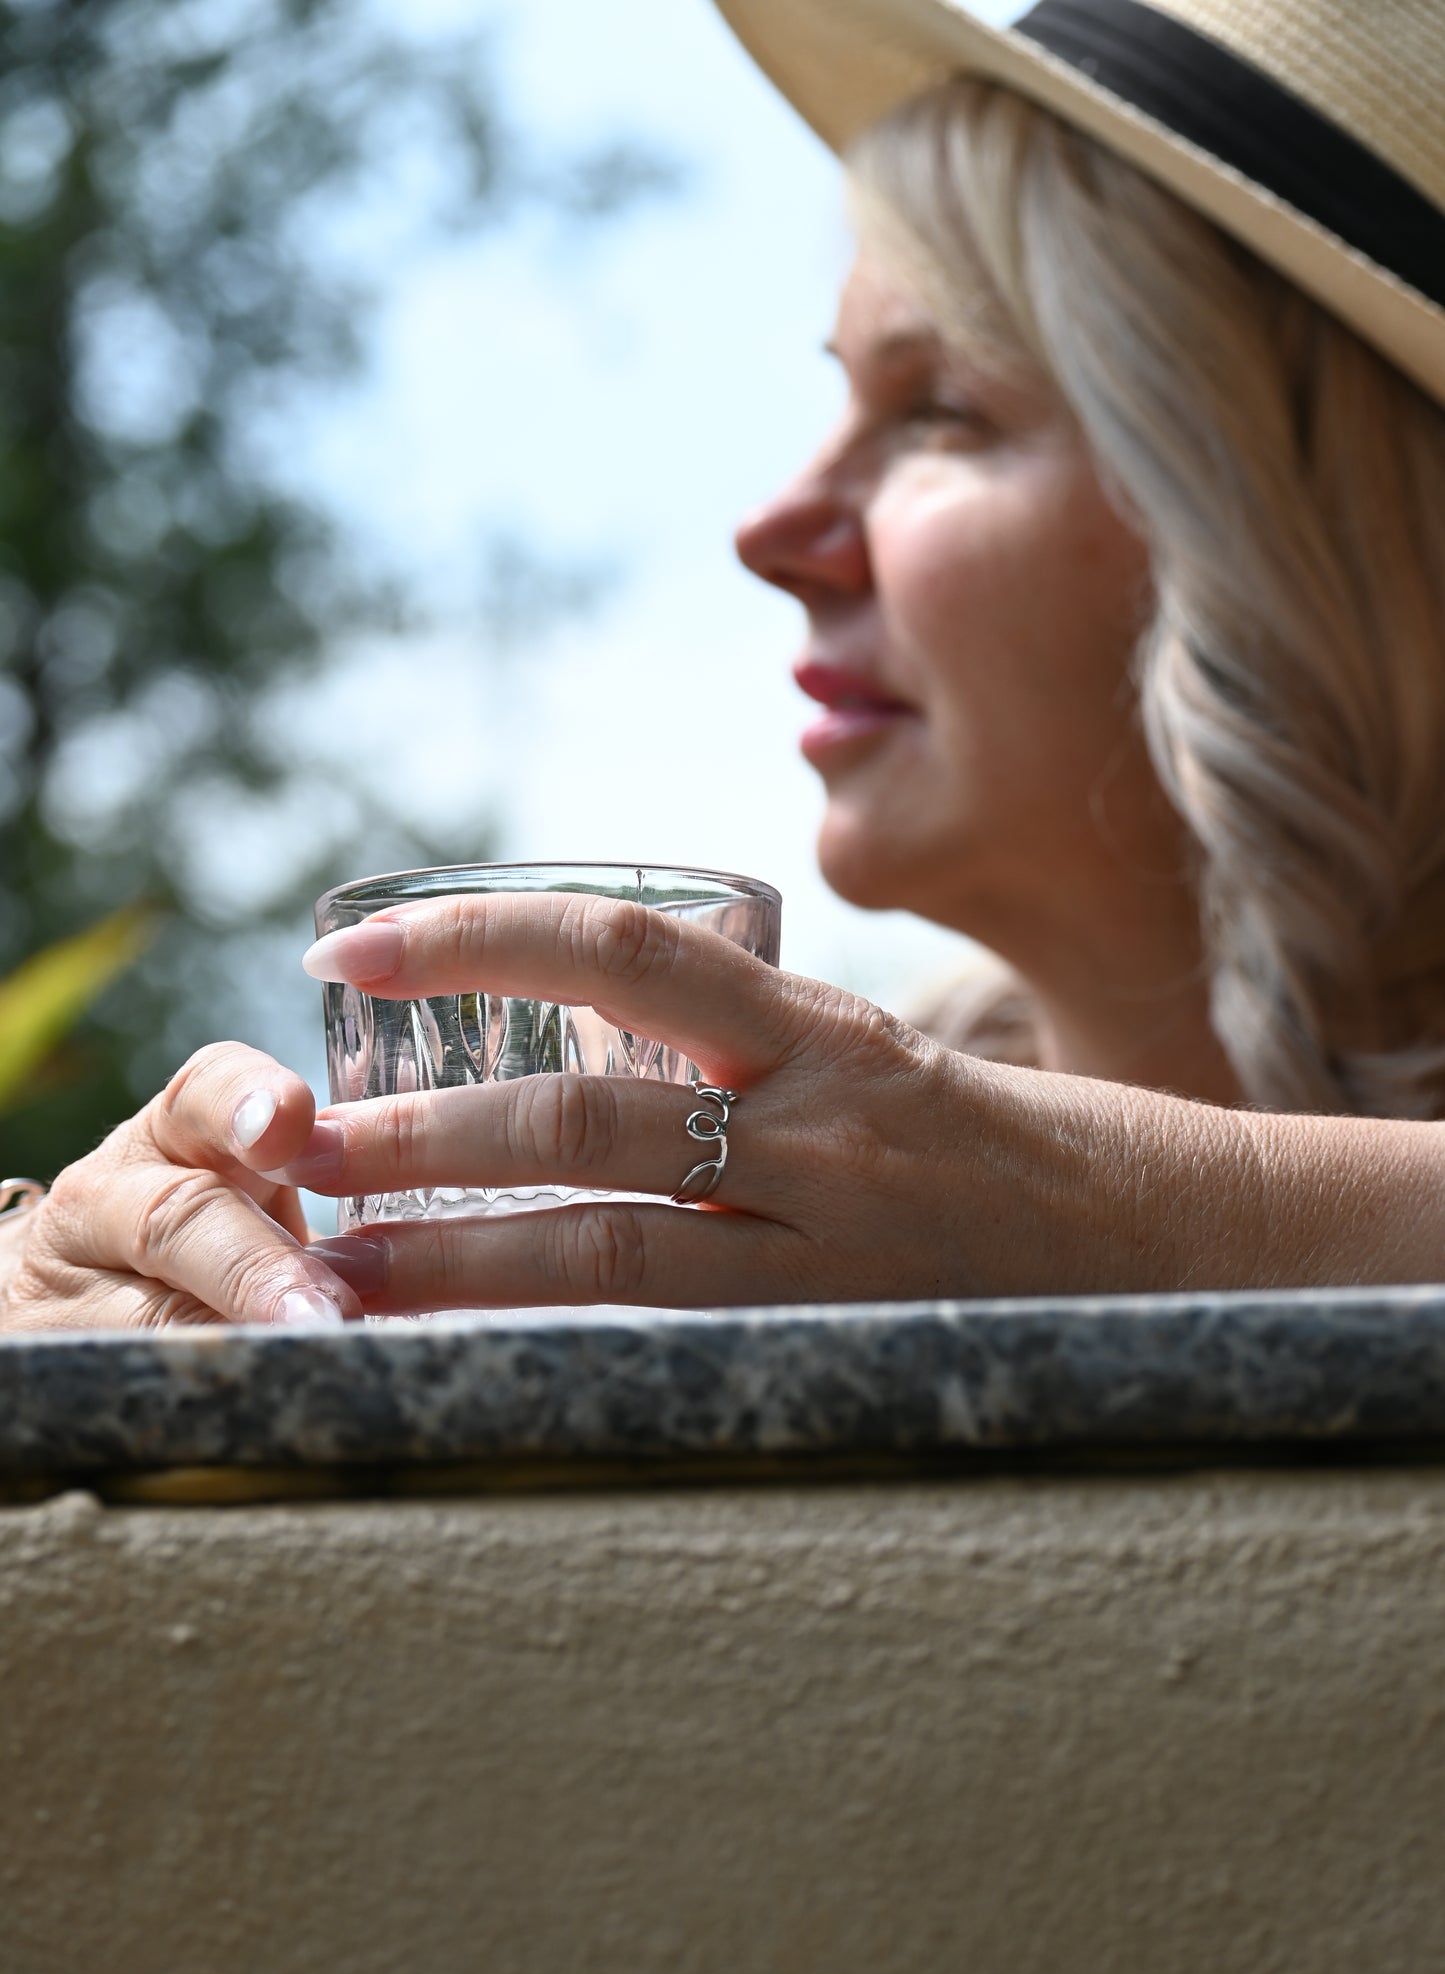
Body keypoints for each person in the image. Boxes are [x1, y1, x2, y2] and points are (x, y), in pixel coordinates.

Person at [1, 0, 1442, 1329]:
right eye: (839, 398)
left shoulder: (871, 1197)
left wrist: (1111, 1208)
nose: (771, 531)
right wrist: (73, 1294)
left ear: (1333, 530)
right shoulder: (814, 1206)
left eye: (940, 408)